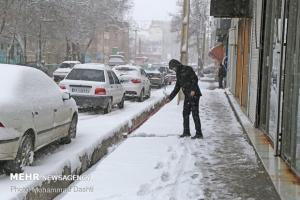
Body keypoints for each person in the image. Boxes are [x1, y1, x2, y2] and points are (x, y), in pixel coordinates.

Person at [166, 59, 203, 139]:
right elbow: (177, 87)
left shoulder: (188, 69)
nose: (173, 69)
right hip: (187, 95)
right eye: (172, 69)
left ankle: (199, 133)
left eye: (173, 68)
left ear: (176, 65)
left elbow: (195, 79)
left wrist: (193, 90)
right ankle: (186, 132)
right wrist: (170, 97)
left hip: (194, 94)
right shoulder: (178, 74)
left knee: (195, 114)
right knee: (185, 113)